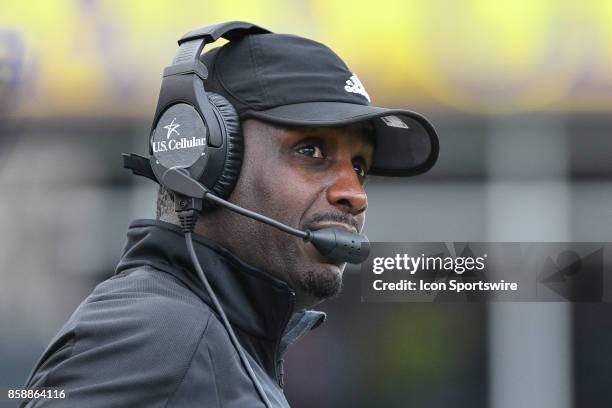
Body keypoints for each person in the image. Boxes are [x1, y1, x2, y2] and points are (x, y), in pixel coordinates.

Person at [21, 23, 438, 407]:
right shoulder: (157, 333)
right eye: (310, 151)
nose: (354, 194)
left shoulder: (214, 338)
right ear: (203, 162)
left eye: (360, 167)